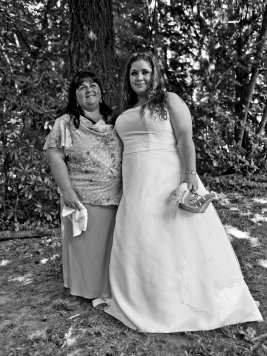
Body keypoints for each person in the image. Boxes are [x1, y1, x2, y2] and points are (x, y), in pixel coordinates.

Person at [103, 52, 262, 332]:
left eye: (145, 72)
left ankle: (175, 302)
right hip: (135, 183)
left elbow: (184, 139)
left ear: (154, 74)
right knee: (140, 237)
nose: (140, 77)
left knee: (170, 236)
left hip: (166, 178)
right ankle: (143, 297)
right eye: (134, 73)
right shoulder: (124, 111)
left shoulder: (169, 100)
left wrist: (189, 174)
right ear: (127, 79)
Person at [44, 70, 122, 301]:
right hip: (81, 197)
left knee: (110, 246)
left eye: (93, 84)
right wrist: (67, 190)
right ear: (74, 96)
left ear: (101, 90)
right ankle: (88, 290)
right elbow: (55, 155)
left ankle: (112, 289)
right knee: (87, 247)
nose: (88, 89)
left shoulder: (116, 120)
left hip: (116, 196)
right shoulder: (65, 123)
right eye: (81, 87)